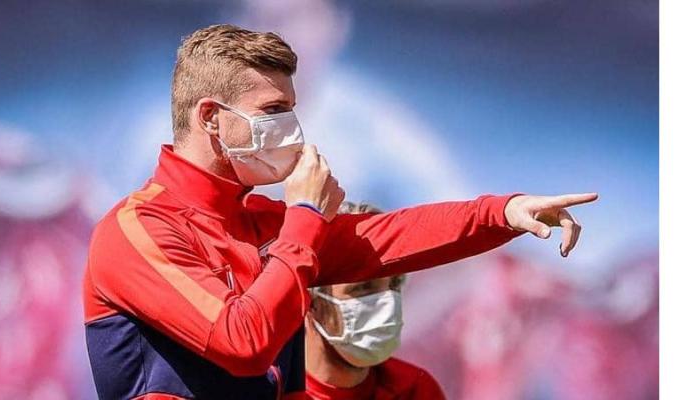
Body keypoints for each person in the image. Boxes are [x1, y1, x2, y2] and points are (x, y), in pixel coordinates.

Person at [82, 24, 597, 400]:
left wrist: (502, 212)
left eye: (292, 109)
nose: (292, 127)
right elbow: (242, 342)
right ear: (211, 118)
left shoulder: (262, 221)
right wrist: (305, 212)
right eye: (273, 111)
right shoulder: (134, 229)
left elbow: (390, 236)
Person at [305, 201, 447, 400]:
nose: (388, 303)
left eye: (394, 284)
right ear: (311, 302)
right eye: (363, 287)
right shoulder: (269, 389)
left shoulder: (415, 391)